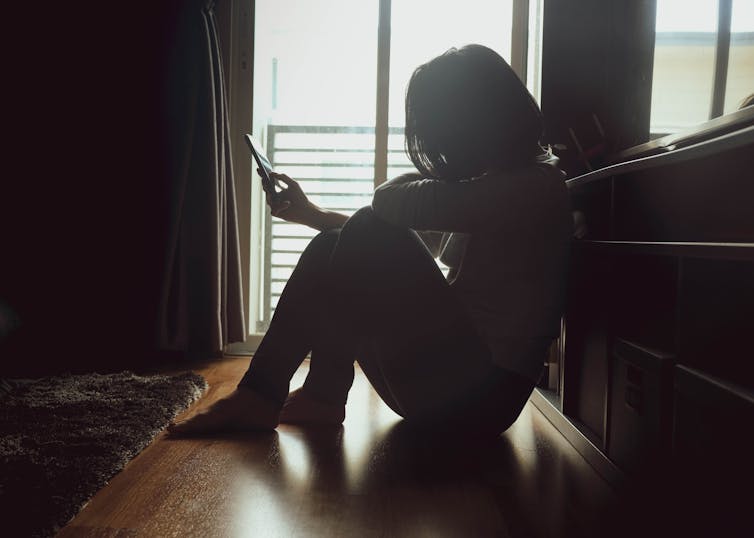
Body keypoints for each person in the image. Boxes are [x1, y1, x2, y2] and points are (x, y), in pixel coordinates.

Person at [169, 44, 572, 439]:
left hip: (481, 398)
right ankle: (285, 396)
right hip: (456, 387)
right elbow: (389, 238)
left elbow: (385, 204)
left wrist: (440, 180)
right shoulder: (502, 182)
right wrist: (310, 214)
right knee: (332, 243)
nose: (445, 152)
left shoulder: (531, 187)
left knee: (365, 225)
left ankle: (312, 393)